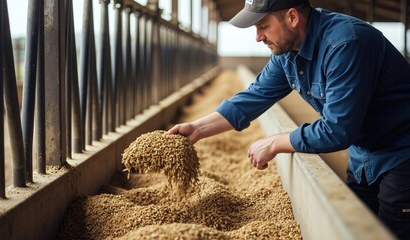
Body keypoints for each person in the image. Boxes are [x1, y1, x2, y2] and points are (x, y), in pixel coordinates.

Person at [167, 0, 410, 238]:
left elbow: (337, 130)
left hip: (401, 152)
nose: (258, 37)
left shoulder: (346, 44)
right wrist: (197, 128)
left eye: (263, 26)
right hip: (363, 155)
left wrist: (275, 143)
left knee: (392, 229)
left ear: (292, 17)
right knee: (356, 228)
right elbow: (254, 95)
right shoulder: (287, 53)